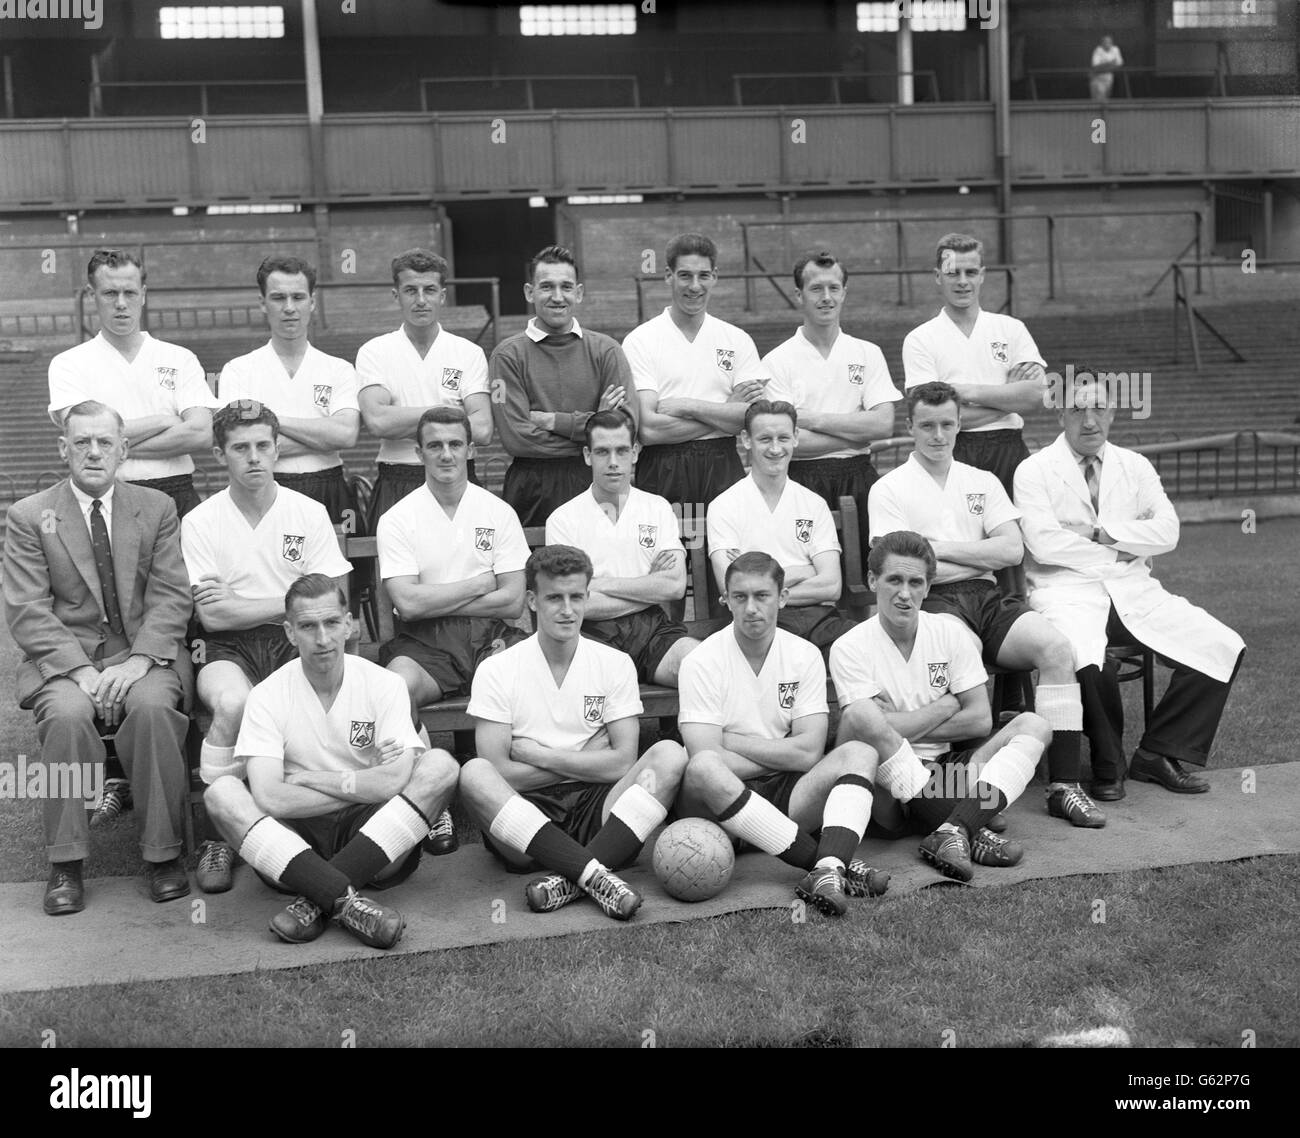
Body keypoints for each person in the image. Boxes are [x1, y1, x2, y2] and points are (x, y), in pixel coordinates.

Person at [868, 382, 1101, 827]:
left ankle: (1064, 786)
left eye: (948, 425)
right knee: (960, 652)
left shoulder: (981, 480)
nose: (938, 435)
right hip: (930, 601)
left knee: (1056, 650)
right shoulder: (890, 487)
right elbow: (901, 566)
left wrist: (934, 548)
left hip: (987, 595)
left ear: (959, 425)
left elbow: (1012, 551)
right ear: (910, 427)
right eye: (928, 426)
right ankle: (968, 790)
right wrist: (970, 552)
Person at [1013, 371, 1245, 801]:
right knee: (1087, 660)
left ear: (1114, 413)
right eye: (1078, 409)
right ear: (1061, 414)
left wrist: (1099, 533)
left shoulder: (1135, 466)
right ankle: (1108, 764)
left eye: (1099, 408)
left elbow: (1167, 532)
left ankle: (1157, 752)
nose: (1089, 420)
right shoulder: (1034, 470)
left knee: (1222, 646)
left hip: (1133, 590)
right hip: (1067, 591)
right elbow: (1044, 545)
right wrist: (1124, 546)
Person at [3, 400, 193, 916]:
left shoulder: (156, 508)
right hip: (67, 659)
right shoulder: (29, 516)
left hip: (142, 655)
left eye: (104, 442)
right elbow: (27, 609)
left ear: (123, 450)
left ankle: (163, 854)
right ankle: (66, 862)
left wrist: (137, 663)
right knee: (66, 717)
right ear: (63, 449)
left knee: (153, 710)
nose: (93, 452)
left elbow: (172, 596)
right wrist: (83, 671)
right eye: (81, 442)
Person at [203, 574, 460, 948]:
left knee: (442, 766)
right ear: (290, 632)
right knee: (223, 792)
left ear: (349, 624)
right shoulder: (266, 695)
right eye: (308, 626)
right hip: (296, 836)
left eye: (331, 623)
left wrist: (308, 779)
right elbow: (272, 799)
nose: (322, 639)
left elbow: (392, 783)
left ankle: (317, 897)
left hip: (373, 832)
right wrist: (364, 781)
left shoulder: (384, 684)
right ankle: (345, 901)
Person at [458, 546, 688, 920]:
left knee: (669, 754)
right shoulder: (497, 669)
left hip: (599, 809)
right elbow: (499, 772)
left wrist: (540, 755)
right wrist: (587, 757)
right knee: (473, 774)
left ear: (587, 597)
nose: (567, 610)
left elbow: (622, 763)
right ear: (532, 600)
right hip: (526, 815)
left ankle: (571, 879)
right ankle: (596, 873)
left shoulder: (614, 663)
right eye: (554, 598)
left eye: (576, 597)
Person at [181, 399, 353, 894]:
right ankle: (219, 836)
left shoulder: (309, 511)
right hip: (224, 646)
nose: (253, 457)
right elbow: (213, 615)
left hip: (298, 637)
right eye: (240, 448)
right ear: (220, 455)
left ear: (278, 450)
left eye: (263, 446)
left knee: (320, 702)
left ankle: (328, 818)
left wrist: (256, 603)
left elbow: (329, 601)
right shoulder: (201, 520)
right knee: (233, 704)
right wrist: (290, 598)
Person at [675, 552, 890, 916]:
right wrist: (779, 752)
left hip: (785, 792)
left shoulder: (804, 654)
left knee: (861, 752)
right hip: (717, 810)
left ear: (783, 598)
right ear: (725, 600)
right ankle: (826, 866)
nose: (751, 608)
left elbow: (809, 752)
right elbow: (704, 757)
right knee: (705, 768)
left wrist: (730, 740)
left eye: (762, 596)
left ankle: (826, 870)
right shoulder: (701, 661)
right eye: (740, 597)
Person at [831, 531, 1053, 882]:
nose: (905, 594)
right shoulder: (850, 646)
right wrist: (947, 705)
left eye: (916, 582)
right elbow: (868, 730)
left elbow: (980, 720)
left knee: (1034, 725)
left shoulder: (950, 634)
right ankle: (973, 823)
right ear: (873, 580)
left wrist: (900, 721)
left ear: (929, 586)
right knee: (867, 724)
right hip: (887, 788)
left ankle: (953, 829)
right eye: (894, 580)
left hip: (945, 773)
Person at [47, 248, 218, 519]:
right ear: (93, 296)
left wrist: (109, 446)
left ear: (144, 294)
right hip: (107, 496)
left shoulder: (179, 358)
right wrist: (165, 420)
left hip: (177, 494)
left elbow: (201, 432)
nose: (121, 303)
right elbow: (83, 438)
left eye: (130, 293)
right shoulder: (68, 364)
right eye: (110, 293)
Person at [545, 409, 700, 687]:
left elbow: (674, 586)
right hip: (590, 635)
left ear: (636, 452)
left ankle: (685, 731)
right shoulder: (563, 519)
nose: (613, 462)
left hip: (652, 629)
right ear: (587, 455)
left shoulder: (657, 507)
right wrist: (650, 588)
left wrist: (600, 583)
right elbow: (576, 603)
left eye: (621, 450)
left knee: (698, 664)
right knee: (595, 685)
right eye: (603, 452)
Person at [764, 249, 901, 559]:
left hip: (860, 478)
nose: (826, 297)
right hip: (800, 480)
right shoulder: (776, 361)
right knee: (808, 576)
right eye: (816, 289)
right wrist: (857, 432)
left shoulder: (867, 353)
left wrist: (811, 420)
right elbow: (785, 444)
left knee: (863, 585)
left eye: (833, 288)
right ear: (799, 295)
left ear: (844, 292)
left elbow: (882, 424)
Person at [489, 245, 636, 528]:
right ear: (529, 292)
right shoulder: (505, 356)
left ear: (579, 293)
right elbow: (515, 438)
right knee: (538, 571)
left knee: (603, 569)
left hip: (596, 478)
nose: (557, 297)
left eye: (566, 287)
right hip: (532, 487)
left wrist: (555, 421)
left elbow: (626, 427)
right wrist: (595, 425)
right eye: (547, 287)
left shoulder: (608, 351)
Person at [624, 232, 766, 517]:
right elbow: (649, 430)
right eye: (685, 276)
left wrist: (689, 406)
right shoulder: (641, 340)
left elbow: (751, 420)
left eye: (703, 275)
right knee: (670, 557)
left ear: (714, 276)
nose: (695, 286)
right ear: (668, 276)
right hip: (662, 467)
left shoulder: (736, 340)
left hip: (723, 464)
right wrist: (725, 412)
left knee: (727, 556)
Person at [902, 233, 1048, 501]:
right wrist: (1008, 395)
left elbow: (1035, 396)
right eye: (952, 273)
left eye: (970, 272)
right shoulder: (920, 339)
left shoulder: (1011, 329)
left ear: (982, 275)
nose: (962, 282)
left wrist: (961, 392)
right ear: (938, 276)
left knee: (1019, 537)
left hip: (1010, 449)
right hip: (953, 451)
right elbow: (933, 417)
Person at [218, 256, 360, 525]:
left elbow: (345, 434)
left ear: (312, 301)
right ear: (262, 303)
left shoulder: (339, 369)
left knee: (340, 566)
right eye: (278, 298)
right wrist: (320, 435)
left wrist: (269, 420)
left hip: (329, 488)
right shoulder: (238, 370)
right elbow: (240, 441)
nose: (289, 308)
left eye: (298, 297)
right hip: (264, 491)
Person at [706, 400, 857, 653]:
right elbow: (731, 589)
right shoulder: (725, 506)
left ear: (796, 438)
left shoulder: (813, 504)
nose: (775, 448)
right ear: (746, 439)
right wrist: (806, 571)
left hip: (818, 619)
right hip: (757, 623)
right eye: (765, 439)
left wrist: (762, 588)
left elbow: (832, 585)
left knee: (862, 648)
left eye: (783, 438)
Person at [356, 248, 492, 525]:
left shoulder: (468, 352)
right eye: (410, 290)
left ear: (442, 295)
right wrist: (448, 412)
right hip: (398, 477)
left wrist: (403, 420)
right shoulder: (375, 351)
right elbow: (378, 422)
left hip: (459, 475)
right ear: (397, 296)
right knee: (393, 567)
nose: (420, 300)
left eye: (429, 290)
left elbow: (483, 428)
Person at [1090, 35, 1123, 102]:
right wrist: (1110, 63)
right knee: (1099, 99)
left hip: (1109, 77)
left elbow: (1119, 64)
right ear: (1102, 43)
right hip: (1097, 77)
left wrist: (1104, 66)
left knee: (1107, 98)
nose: (1107, 44)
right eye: (1105, 42)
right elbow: (1095, 67)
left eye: (1109, 42)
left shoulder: (1115, 49)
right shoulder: (1098, 50)